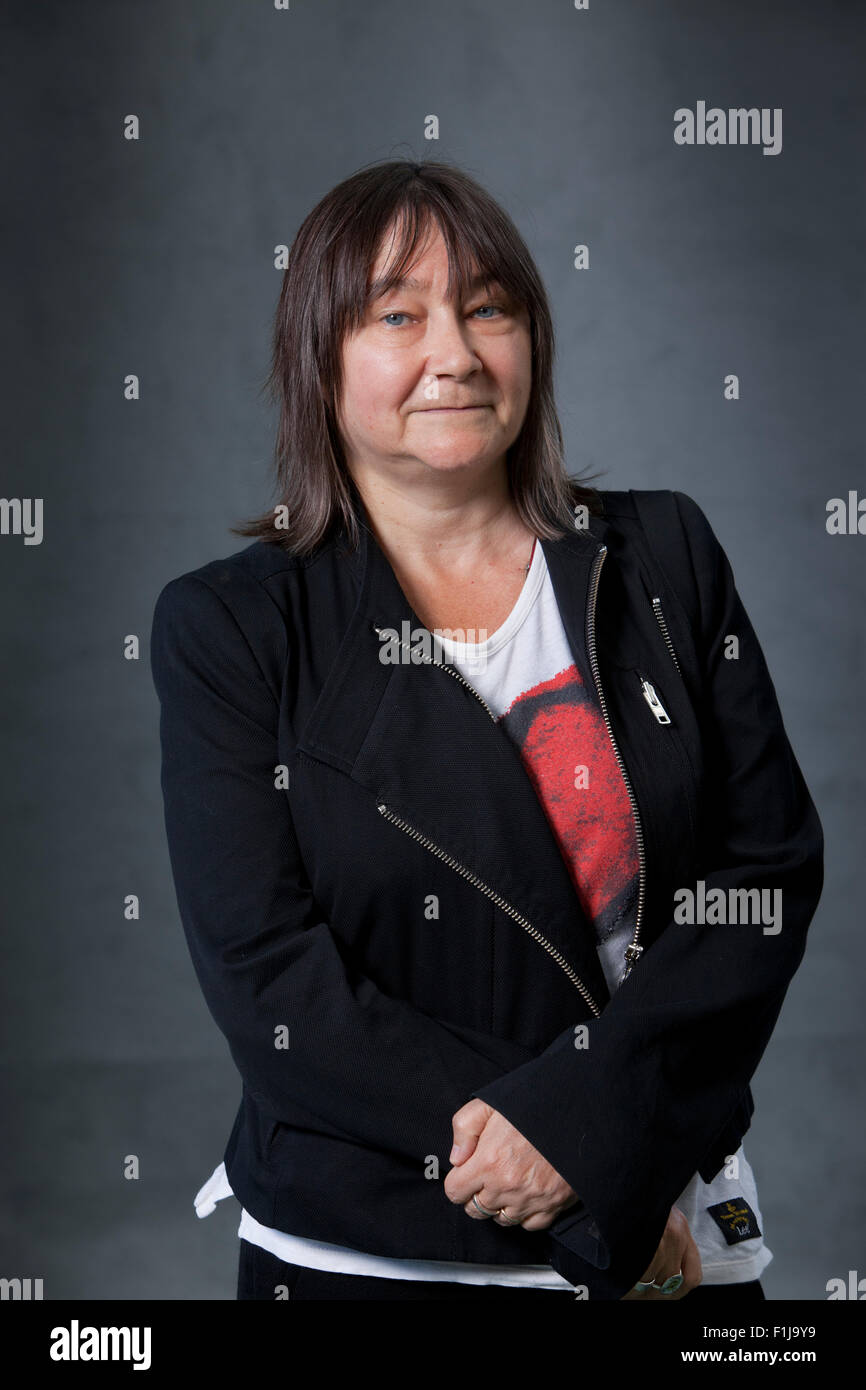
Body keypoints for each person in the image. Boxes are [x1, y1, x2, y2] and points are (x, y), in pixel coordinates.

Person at [150, 158, 824, 1301]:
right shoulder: (233, 627)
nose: (453, 353)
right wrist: (579, 1175)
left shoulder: (662, 556)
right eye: (397, 314)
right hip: (371, 1251)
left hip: (670, 1234)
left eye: (488, 308)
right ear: (320, 359)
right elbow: (272, 980)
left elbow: (761, 878)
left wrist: (606, 1146)